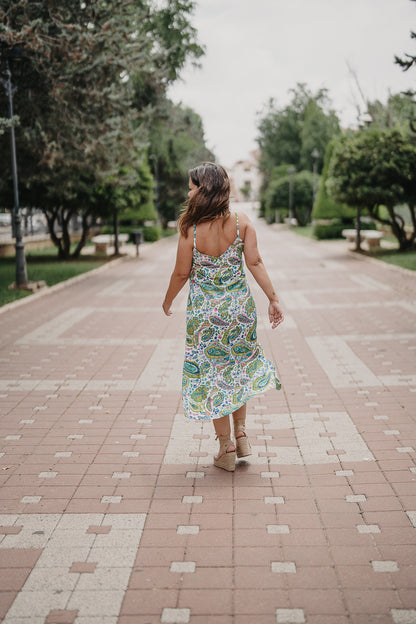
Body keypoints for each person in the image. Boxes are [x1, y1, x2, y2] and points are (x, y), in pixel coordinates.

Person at [162, 162, 284, 471]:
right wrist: (273, 299)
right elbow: (255, 262)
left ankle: (226, 447)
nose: (188, 192)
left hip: (206, 316)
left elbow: (180, 272)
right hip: (239, 312)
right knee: (238, 370)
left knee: (213, 377)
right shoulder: (242, 223)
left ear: (202, 190)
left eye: (191, 187)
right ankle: (241, 432)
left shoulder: (190, 228)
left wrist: (167, 301)